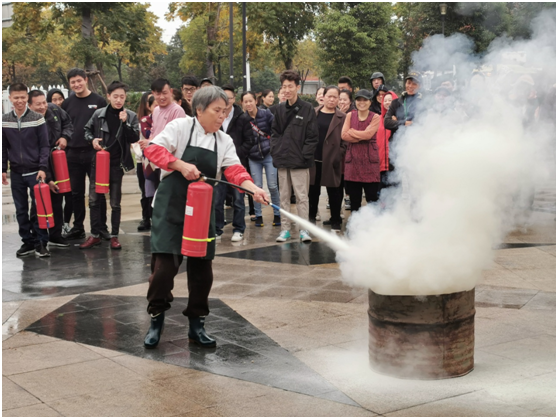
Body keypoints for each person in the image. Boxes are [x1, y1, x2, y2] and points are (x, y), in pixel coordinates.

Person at [142, 86, 269, 349]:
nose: (222, 116)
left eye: (225, 111)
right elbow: (152, 150)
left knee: (202, 272)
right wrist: (180, 165)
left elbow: (234, 171)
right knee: (164, 270)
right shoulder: (180, 127)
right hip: (171, 207)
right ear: (199, 110)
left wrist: (254, 189)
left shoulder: (223, 141)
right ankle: (156, 318)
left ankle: (197, 324)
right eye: (217, 110)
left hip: (201, 211)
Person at [80, 81, 140, 250]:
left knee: (115, 203)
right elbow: (86, 130)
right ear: (108, 97)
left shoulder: (130, 115)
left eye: (122, 97)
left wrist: (126, 123)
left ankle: (114, 236)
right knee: (94, 200)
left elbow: (134, 138)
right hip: (99, 163)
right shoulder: (99, 114)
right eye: (115, 96)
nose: (118, 100)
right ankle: (95, 234)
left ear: (125, 98)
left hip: (116, 164)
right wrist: (92, 140)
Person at [2, 83, 51, 257]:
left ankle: (41, 242)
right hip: (16, 172)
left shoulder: (37, 118)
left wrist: (43, 167)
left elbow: (44, 145)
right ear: (10, 98)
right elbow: (3, 147)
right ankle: (27, 242)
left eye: (23, 97)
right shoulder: (5, 120)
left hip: (35, 171)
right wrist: (3, 168)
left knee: (39, 209)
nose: (20, 101)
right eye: (16, 97)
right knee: (21, 210)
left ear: (27, 98)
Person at [270, 70, 318, 243]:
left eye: (290, 86)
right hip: (283, 160)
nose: (287, 90)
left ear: (297, 87)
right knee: (283, 197)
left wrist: (304, 155)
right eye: (284, 87)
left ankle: (304, 230)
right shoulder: (279, 109)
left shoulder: (307, 108)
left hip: (300, 162)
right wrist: (276, 151)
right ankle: (285, 230)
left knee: (302, 197)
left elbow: (312, 136)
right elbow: (274, 134)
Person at [61, 68, 108, 241]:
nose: (76, 84)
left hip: (93, 153)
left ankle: (101, 227)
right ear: (69, 84)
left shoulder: (99, 101)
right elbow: (64, 126)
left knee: (98, 192)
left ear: (86, 80)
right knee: (76, 194)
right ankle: (78, 227)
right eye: (73, 82)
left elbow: (105, 125)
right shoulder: (67, 103)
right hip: (72, 153)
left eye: (79, 80)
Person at [27, 89, 74, 248]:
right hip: (37, 163)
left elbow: (68, 123)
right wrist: (48, 178)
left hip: (56, 160)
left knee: (57, 198)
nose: (42, 107)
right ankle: (37, 237)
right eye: (38, 104)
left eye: (44, 103)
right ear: (30, 105)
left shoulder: (54, 110)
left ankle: (55, 234)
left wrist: (64, 136)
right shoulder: (28, 121)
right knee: (39, 200)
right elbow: (37, 152)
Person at [238, 91, 280, 227]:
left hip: (268, 155)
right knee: (256, 188)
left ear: (256, 101)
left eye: (250, 101)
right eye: (245, 102)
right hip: (253, 157)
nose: (248, 104)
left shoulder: (266, 114)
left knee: (273, 186)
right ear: (242, 103)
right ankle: (258, 215)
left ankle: (277, 213)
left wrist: (273, 147)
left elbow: (275, 130)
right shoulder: (242, 119)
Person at [309, 86, 347, 231]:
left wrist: (338, 155)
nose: (331, 99)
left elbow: (345, 140)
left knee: (334, 192)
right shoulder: (313, 113)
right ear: (323, 97)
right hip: (314, 159)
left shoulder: (342, 117)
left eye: (335, 97)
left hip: (331, 159)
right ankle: (311, 220)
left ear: (338, 99)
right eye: (329, 96)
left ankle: (336, 220)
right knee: (313, 192)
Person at [214, 84, 247, 242]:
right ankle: (217, 228)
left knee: (238, 199)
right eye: (224, 98)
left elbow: (249, 140)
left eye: (229, 98)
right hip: (219, 165)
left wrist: (235, 153)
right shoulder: (215, 117)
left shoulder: (242, 117)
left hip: (237, 164)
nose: (227, 102)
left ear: (234, 99)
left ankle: (239, 228)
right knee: (217, 199)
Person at [341, 89, 381, 212]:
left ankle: (373, 223)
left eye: (365, 100)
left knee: (372, 198)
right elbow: (344, 135)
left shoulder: (375, 117)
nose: (362, 102)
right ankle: (355, 223)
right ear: (355, 102)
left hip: (370, 162)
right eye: (359, 100)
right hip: (352, 162)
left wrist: (352, 132)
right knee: (354, 200)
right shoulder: (349, 115)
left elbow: (368, 135)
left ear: (370, 102)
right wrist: (362, 135)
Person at [46, 87, 72, 234]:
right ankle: (48, 230)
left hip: (64, 158)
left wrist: (65, 137)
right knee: (50, 195)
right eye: (53, 100)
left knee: (68, 193)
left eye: (60, 99)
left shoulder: (60, 112)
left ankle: (64, 224)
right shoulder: (41, 113)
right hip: (47, 159)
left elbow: (68, 125)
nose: (57, 102)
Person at [134, 92, 155, 231]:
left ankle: (155, 217)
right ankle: (146, 217)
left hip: (158, 161)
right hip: (143, 160)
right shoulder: (143, 121)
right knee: (145, 191)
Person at [384, 70, 423, 137]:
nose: (410, 86)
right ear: (405, 83)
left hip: (415, 140)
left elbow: (422, 124)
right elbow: (386, 123)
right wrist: (404, 123)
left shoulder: (423, 104)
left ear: (420, 86)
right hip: (396, 141)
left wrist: (396, 121)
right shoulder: (395, 102)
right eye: (408, 83)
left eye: (414, 84)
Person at [376, 90, 398, 190]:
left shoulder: (400, 119)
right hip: (380, 164)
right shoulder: (377, 119)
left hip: (394, 163)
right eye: (385, 100)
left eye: (390, 100)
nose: (387, 102)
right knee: (380, 193)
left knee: (394, 192)